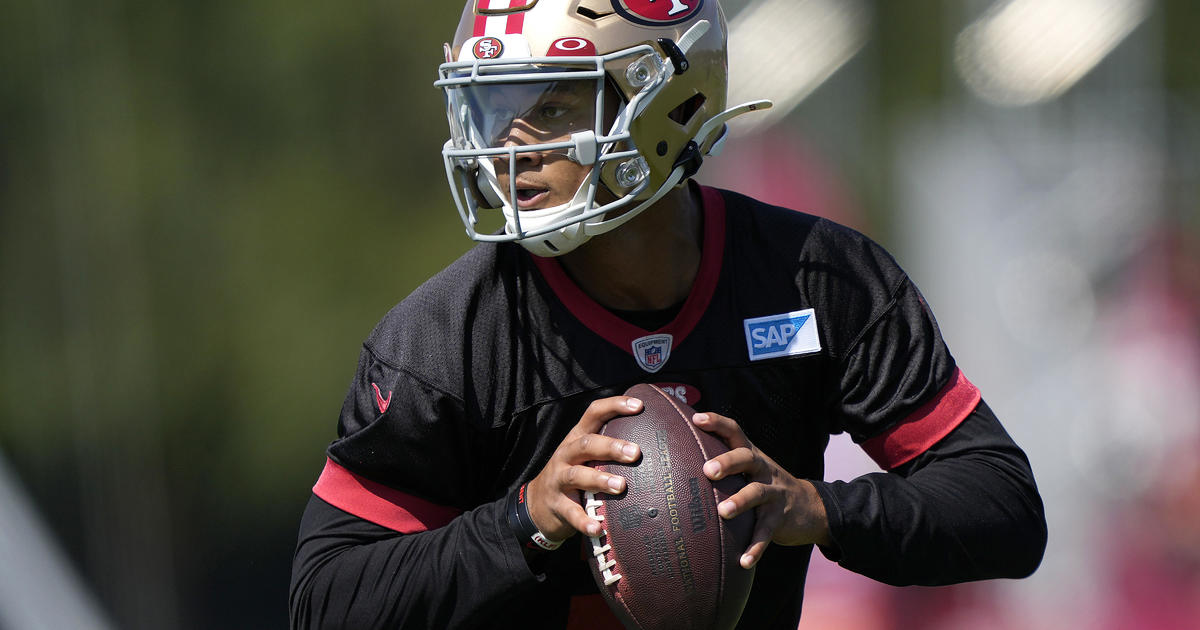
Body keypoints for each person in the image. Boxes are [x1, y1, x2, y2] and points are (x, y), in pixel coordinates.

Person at [288, 1, 1047, 628]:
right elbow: (326, 602)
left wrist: (816, 508)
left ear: (670, 103)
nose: (511, 148)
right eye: (492, 108)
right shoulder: (445, 339)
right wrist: (525, 520)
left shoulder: (818, 280)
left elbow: (1003, 508)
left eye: (550, 105)